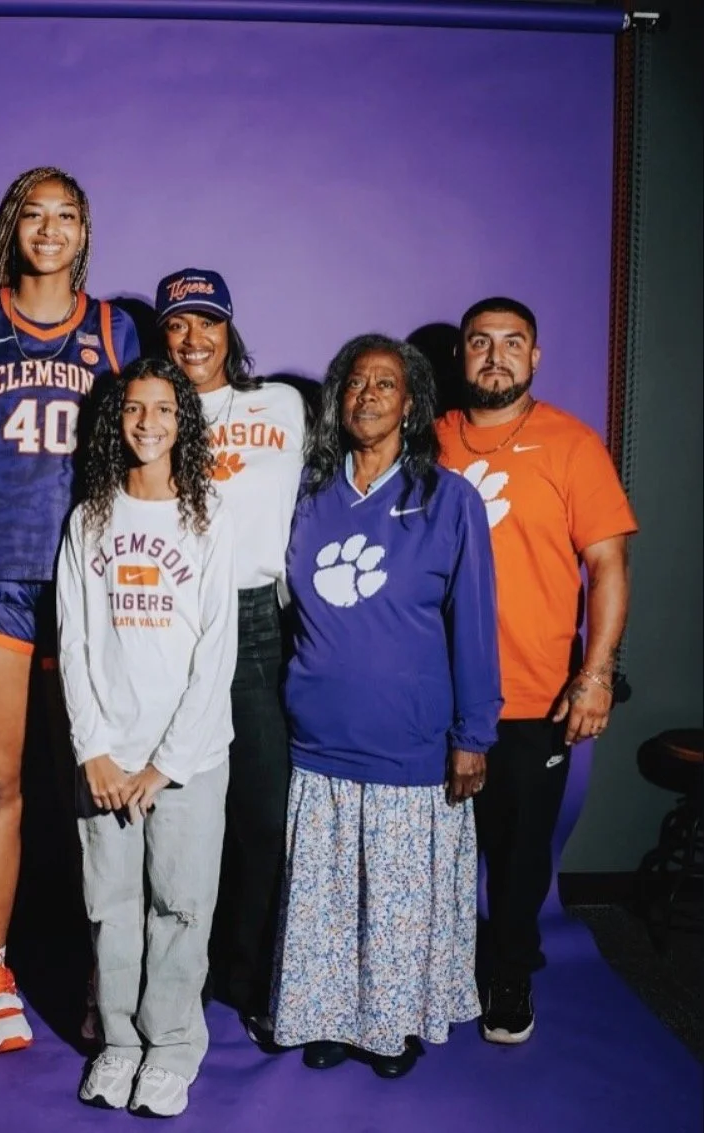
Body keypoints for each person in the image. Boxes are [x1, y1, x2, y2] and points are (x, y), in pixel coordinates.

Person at [0, 166, 139, 1053]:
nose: (49, 230)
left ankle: (110, 972)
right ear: (12, 227)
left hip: (88, 578)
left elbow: (142, 442)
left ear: (84, 231)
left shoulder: (112, 326)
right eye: (34, 214)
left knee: (97, 783)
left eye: (67, 216)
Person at [271, 334, 501, 1079]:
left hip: (410, 743)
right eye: (355, 383)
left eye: (385, 384)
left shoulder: (447, 498)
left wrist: (474, 734)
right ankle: (327, 1018)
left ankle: (390, 1024)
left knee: (397, 903)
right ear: (339, 401)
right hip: (318, 738)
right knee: (326, 898)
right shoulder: (306, 497)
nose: (368, 394)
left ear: (411, 403)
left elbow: (472, 622)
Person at [436, 297, 637, 1044]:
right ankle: (435, 966)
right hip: (436, 693)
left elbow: (607, 561)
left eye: (511, 341)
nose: (495, 355)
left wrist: (594, 671)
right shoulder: (432, 440)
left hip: (531, 690)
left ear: (535, 356)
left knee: (519, 853)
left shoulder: (569, 443)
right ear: (460, 355)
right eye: (479, 342)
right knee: (439, 845)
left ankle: (510, 970)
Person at [56, 357, 236, 1118]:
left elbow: (216, 650)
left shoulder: (207, 516)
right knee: (112, 903)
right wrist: (94, 751)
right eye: (134, 408)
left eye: (164, 408)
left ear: (182, 422)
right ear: (115, 420)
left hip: (185, 758)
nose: (148, 421)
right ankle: (121, 1041)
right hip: (106, 756)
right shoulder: (90, 517)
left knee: (181, 904)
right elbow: (73, 644)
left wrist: (163, 765)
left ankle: (168, 1047)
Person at [155, 268, 307, 1041]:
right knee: (175, 809)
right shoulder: (147, 414)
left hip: (254, 619)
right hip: (170, 619)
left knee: (261, 813)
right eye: (178, 324)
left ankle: (249, 974)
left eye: (207, 322)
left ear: (229, 329)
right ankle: (175, 970)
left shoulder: (277, 404)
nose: (193, 338)